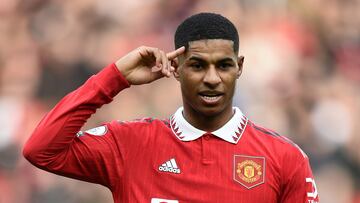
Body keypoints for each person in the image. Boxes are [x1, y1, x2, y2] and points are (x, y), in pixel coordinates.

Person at [23, 13, 319, 203]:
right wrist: (113, 78)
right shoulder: (130, 144)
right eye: (198, 65)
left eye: (224, 65)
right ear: (175, 68)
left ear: (239, 68)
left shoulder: (284, 158)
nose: (212, 79)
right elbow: (41, 150)